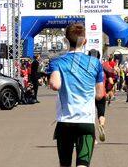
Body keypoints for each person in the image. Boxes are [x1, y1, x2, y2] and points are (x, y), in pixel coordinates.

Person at [48, 24, 105, 167]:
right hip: (86, 121)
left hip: (65, 121)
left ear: (65, 41)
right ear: (85, 41)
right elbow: (100, 94)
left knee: (65, 164)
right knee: (83, 164)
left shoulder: (57, 62)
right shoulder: (95, 63)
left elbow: (55, 85)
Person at [89, 49, 107, 143]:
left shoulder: (86, 67)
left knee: (91, 115)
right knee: (101, 113)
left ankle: (94, 138)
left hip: (90, 93)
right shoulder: (102, 67)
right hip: (102, 92)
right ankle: (101, 125)